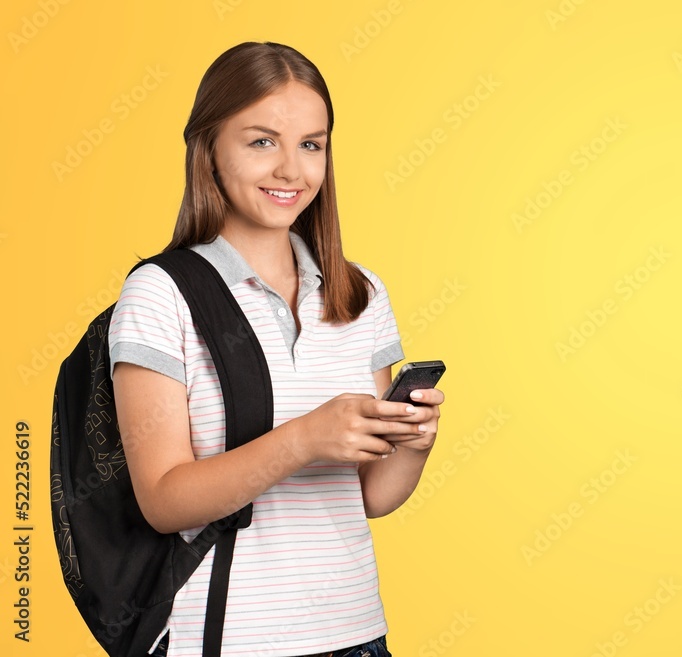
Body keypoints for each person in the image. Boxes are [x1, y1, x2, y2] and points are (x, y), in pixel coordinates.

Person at [108, 41, 443, 657]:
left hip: (358, 634)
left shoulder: (359, 292)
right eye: (262, 141)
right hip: (229, 641)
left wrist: (414, 443)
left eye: (311, 145)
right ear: (208, 149)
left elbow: (370, 495)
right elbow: (163, 501)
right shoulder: (161, 293)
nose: (292, 170)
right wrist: (305, 438)